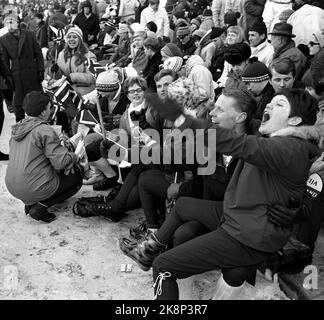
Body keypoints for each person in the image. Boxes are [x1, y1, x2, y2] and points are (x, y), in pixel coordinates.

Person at [119, 88, 319, 300]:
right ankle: (149, 251)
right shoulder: (264, 134)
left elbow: (236, 143)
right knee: (184, 207)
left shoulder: (287, 148)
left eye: (279, 105)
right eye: (271, 102)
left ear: (295, 120)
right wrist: (127, 153)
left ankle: (156, 262)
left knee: (164, 266)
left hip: (247, 232)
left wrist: (183, 120)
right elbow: (174, 155)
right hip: (237, 214)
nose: (268, 105)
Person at [5, 91, 83, 223]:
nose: (51, 111)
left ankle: (31, 202)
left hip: (12, 186)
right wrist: (75, 156)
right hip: (33, 186)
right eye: (49, 108)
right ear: (42, 112)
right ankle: (41, 206)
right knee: (76, 179)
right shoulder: (43, 130)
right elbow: (61, 162)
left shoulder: (18, 128)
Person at [0, 13, 44, 122]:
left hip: (32, 74)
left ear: (17, 22)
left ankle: (39, 129)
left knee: (37, 105)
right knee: (19, 109)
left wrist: (40, 70)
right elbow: (4, 62)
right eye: (6, 23)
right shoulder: (3, 39)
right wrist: (8, 78)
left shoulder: (29, 35)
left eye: (11, 22)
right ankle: (22, 132)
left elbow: (38, 54)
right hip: (17, 77)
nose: (9, 25)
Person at [54, 25, 96, 96]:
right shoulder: (62, 55)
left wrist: (73, 77)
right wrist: (55, 70)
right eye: (69, 37)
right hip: (67, 92)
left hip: (84, 92)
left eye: (75, 37)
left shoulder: (89, 55)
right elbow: (59, 77)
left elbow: (91, 77)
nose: (71, 39)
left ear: (80, 39)